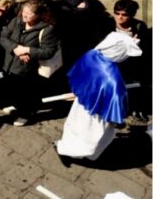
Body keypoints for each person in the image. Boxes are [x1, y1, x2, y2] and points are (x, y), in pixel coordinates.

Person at [55, 32, 142, 165]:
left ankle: (66, 148)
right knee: (92, 135)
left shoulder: (92, 55)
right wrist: (117, 121)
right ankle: (75, 155)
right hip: (99, 115)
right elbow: (116, 105)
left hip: (82, 103)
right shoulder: (113, 80)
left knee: (75, 126)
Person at [0, 1, 59, 126]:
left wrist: (27, 50)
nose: (24, 15)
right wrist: (16, 49)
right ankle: (19, 107)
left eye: (28, 13)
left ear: (38, 15)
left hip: (28, 69)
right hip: (9, 64)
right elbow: (3, 37)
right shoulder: (16, 21)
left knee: (25, 93)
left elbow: (49, 51)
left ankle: (25, 115)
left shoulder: (47, 29)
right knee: (12, 90)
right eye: (23, 12)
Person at [98, 0, 151, 122]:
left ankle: (136, 109)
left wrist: (136, 44)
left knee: (134, 88)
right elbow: (100, 44)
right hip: (110, 64)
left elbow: (145, 49)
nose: (120, 17)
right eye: (117, 13)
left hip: (132, 65)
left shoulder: (139, 26)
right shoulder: (106, 24)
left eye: (124, 14)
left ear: (132, 15)